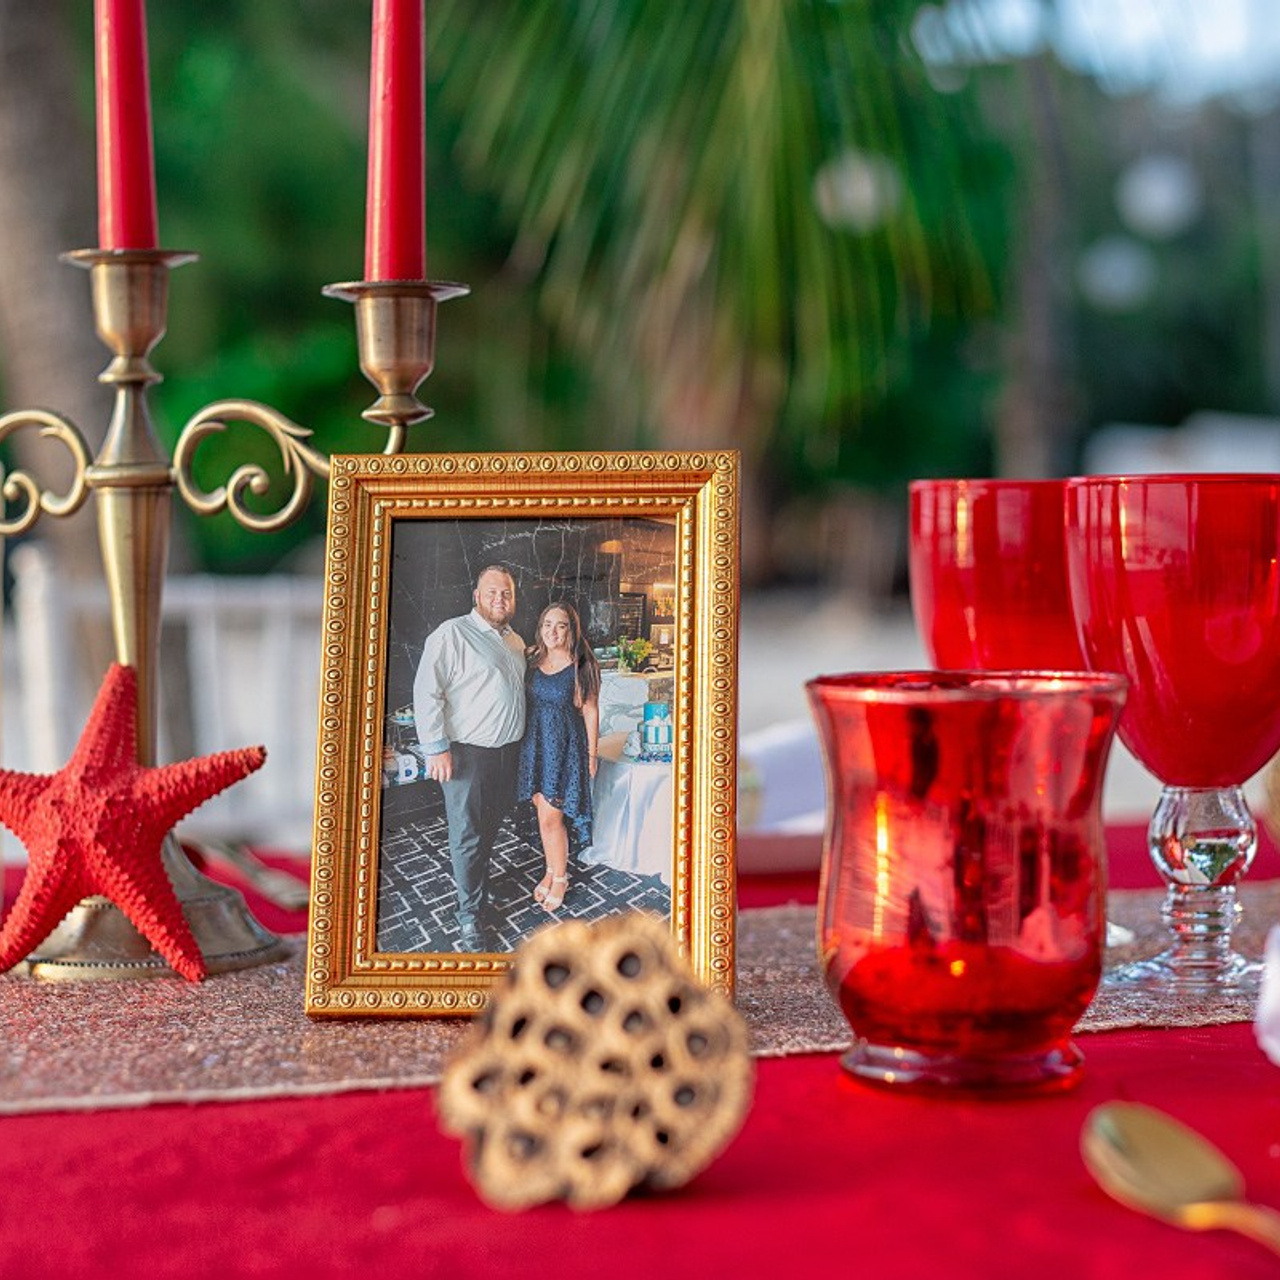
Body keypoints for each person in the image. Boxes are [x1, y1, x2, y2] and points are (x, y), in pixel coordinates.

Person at [413, 565, 526, 952]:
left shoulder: (514, 641)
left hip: (506, 753)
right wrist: (436, 747)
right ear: (476, 596)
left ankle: (478, 889)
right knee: (467, 835)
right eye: (492, 592)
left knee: (490, 828)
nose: (500, 599)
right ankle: (468, 916)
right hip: (467, 755)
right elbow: (428, 691)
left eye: (507, 593)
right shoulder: (452, 633)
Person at [516, 602, 601, 913]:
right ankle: (551, 870)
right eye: (547, 624)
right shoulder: (531, 658)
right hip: (535, 745)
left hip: (564, 747)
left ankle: (561, 878)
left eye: (560, 625)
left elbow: (590, 710)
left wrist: (591, 755)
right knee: (543, 814)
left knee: (553, 818)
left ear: (571, 629)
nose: (553, 631)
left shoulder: (581, 665)